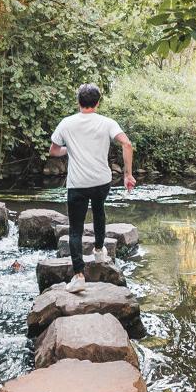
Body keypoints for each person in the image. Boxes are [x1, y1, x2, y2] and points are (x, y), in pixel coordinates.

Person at [48, 83, 135, 287]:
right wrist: (127, 174)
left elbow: (54, 151)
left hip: (77, 184)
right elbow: (127, 143)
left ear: (78, 101)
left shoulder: (66, 123)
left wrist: (70, 149)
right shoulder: (107, 122)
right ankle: (98, 251)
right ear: (97, 102)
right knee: (99, 213)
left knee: (76, 229)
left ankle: (78, 276)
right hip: (101, 181)